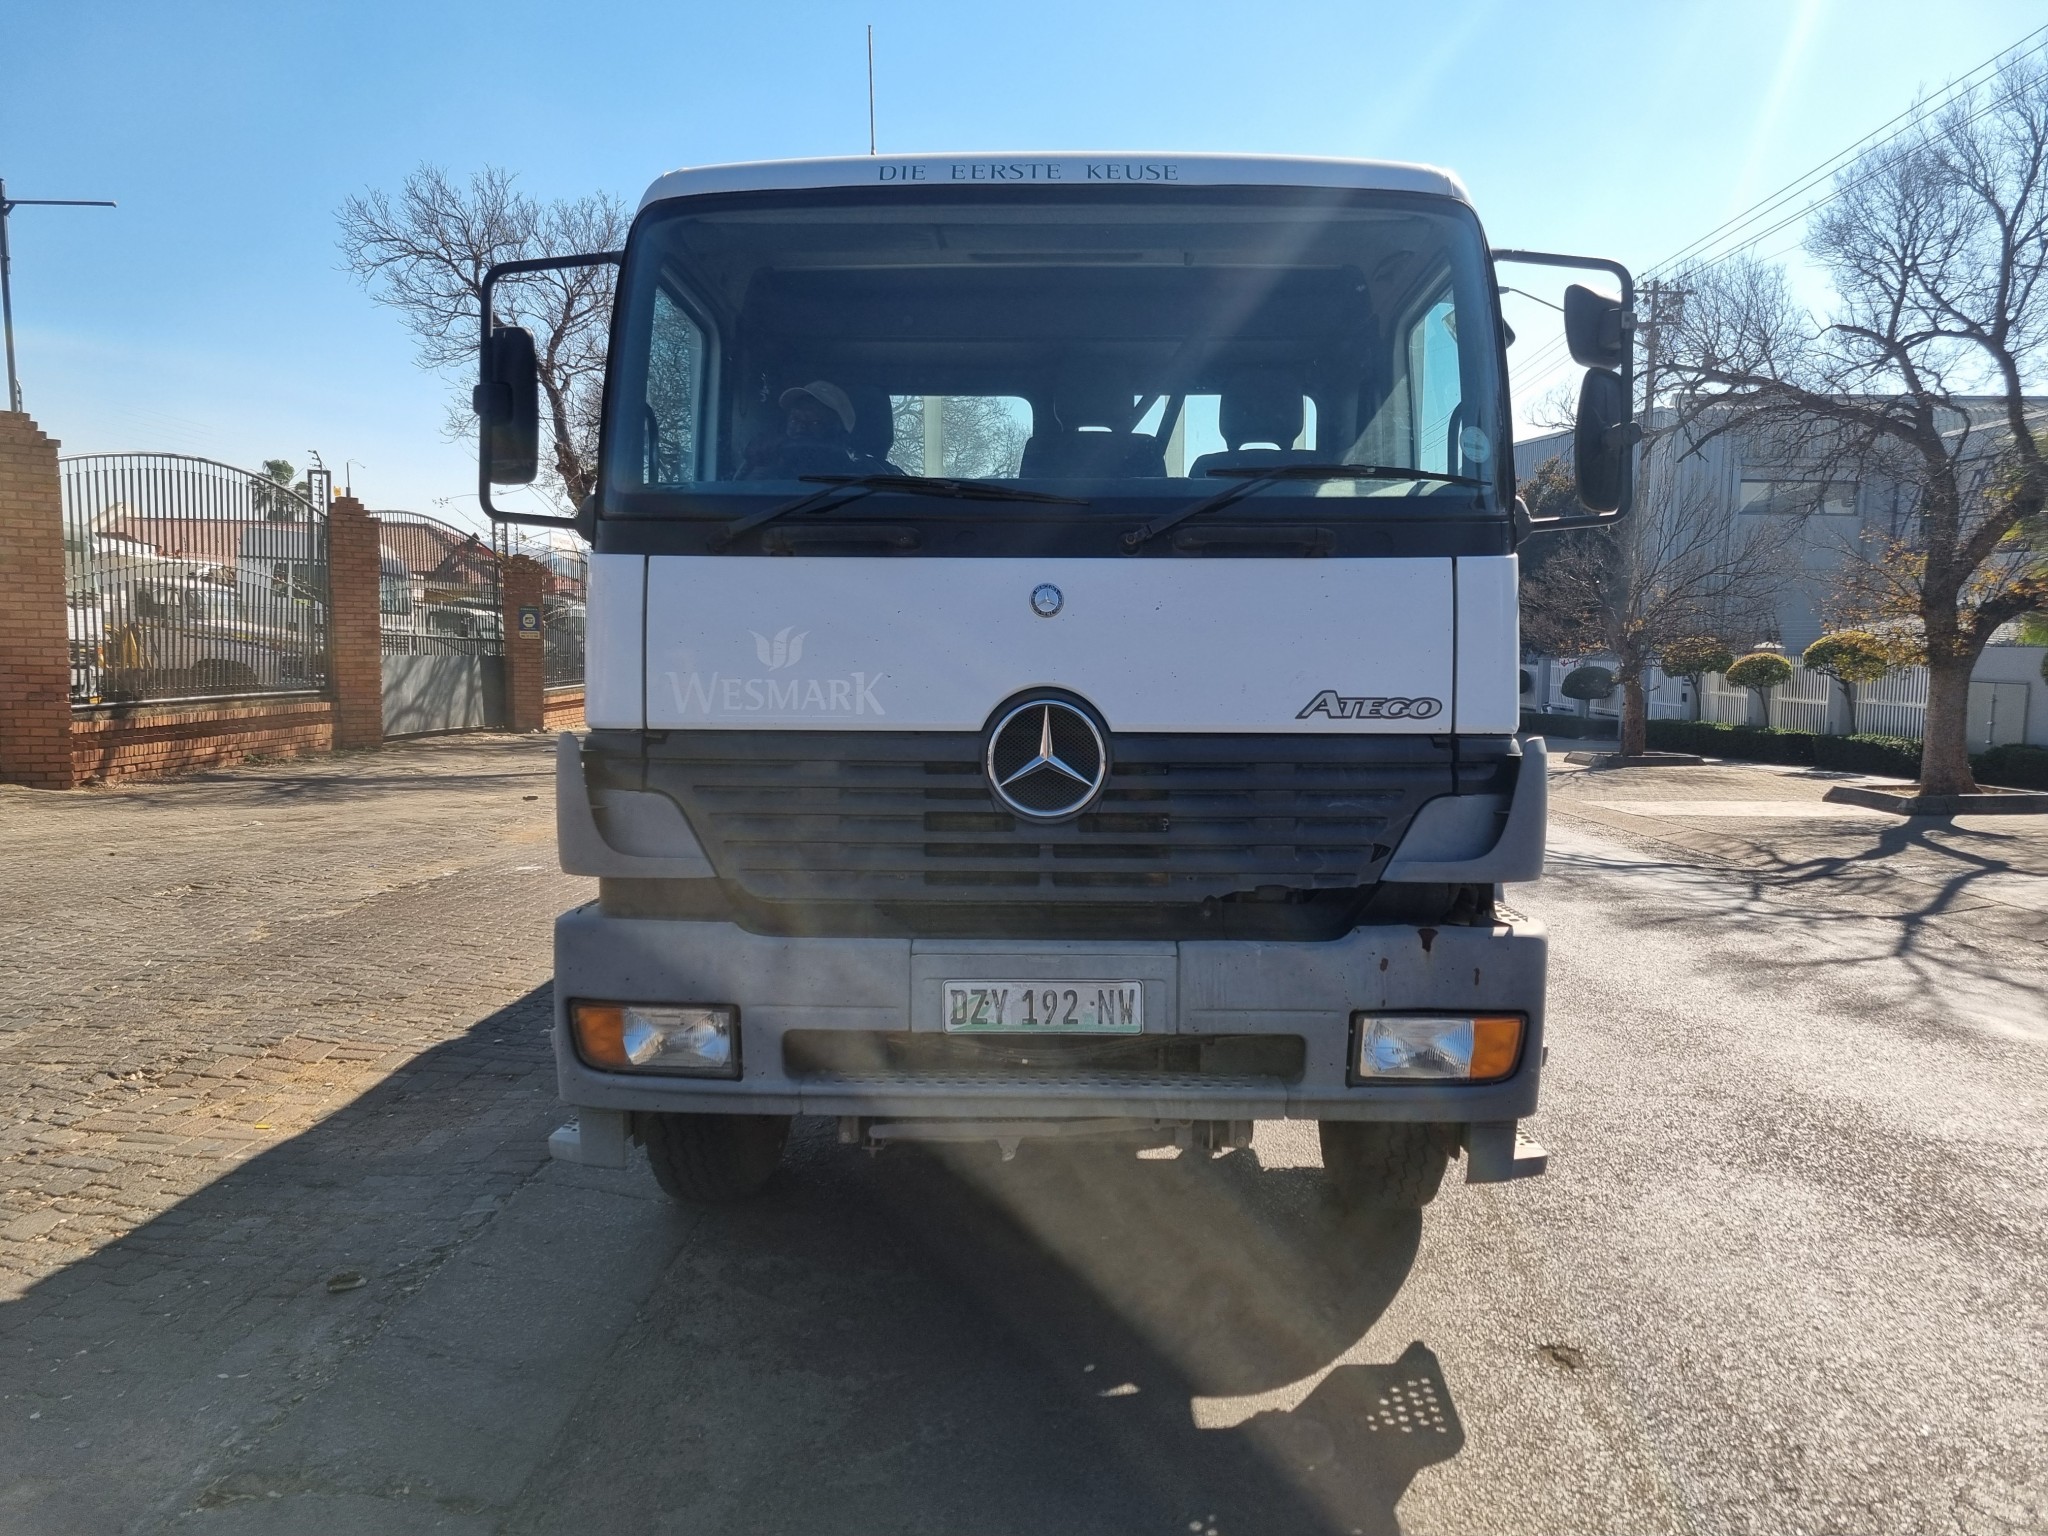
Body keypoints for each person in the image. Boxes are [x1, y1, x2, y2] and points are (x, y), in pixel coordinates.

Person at [737, 380, 871, 480]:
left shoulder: (865, 473)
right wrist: (763, 464)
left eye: (815, 422)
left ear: (839, 432)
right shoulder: (769, 457)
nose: (801, 427)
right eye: (795, 419)